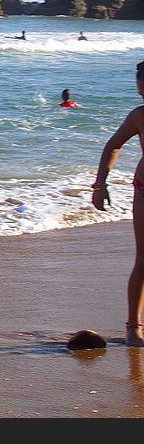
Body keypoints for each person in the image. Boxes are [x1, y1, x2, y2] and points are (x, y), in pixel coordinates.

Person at [92, 61, 144, 346]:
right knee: (143, 261)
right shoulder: (139, 116)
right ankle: (133, 328)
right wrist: (100, 184)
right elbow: (114, 144)